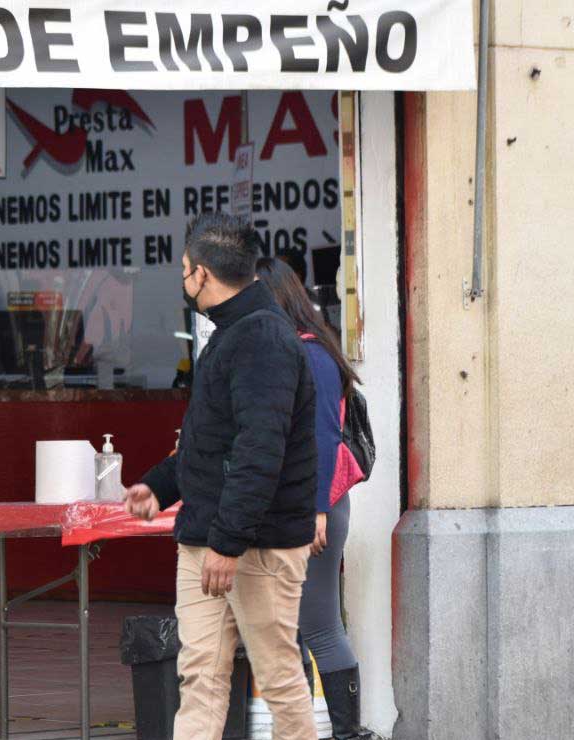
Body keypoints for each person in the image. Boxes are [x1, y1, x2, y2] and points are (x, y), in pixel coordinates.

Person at [125, 213, 319, 740]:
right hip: (208, 539)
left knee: (278, 679)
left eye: (185, 270)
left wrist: (228, 544)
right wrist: (160, 485)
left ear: (204, 275)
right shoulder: (232, 333)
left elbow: (260, 451)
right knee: (201, 677)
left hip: (254, 546)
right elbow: (212, 443)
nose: (183, 281)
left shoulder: (263, 340)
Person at [256, 257, 372, 740]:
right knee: (292, 629)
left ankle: (349, 733)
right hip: (298, 507)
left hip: (315, 508)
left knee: (320, 625)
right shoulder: (291, 354)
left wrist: (318, 511)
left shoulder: (312, 357)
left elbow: (322, 438)